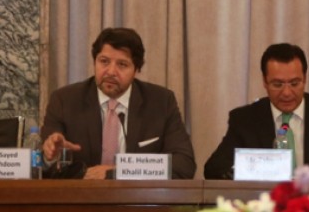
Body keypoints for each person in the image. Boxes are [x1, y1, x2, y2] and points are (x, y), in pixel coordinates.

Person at [41, 27, 196, 179]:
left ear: (136, 70)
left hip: (139, 201)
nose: (111, 72)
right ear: (95, 62)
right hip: (81, 201)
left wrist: (117, 172)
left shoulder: (161, 102)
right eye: (104, 61)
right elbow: (44, 167)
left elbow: (184, 164)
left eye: (122, 64)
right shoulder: (64, 100)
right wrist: (50, 157)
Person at [204, 43, 309, 179]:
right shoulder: (246, 119)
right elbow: (213, 170)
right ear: (264, 82)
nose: (287, 93)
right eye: (277, 84)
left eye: (294, 83)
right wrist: (248, 170)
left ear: (305, 79)